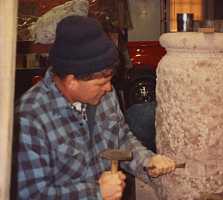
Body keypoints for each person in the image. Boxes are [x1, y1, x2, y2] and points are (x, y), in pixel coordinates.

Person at [15, 15, 176, 200]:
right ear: (71, 81)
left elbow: (121, 138)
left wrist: (147, 161)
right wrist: (96, 192)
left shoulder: (105, 95)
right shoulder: (29, 119)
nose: (108, 88)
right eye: (101, 83)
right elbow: (31, 195)